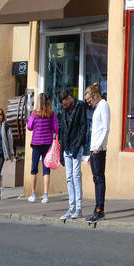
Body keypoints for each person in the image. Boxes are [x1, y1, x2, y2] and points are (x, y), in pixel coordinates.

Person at [56, 88, 88, 220]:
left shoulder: (80, 106)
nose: (63, 105)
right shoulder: (64, 110)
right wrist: (62, 149)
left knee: (75, 176)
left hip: (76, 147)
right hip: (67, 148)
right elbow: (62, 130)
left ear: (70, 98)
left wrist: (77, 145)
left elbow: (83, 127)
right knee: (69, 177)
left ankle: (78, 208)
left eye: (64, 102)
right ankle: (71, 207)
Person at [83, 84, 109, 222]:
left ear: (95, 96)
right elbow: (96, 131)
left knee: (99, 179)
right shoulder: (98, 107)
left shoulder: (103, 105)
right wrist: (90, 153)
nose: (89, 103)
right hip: (94, 150)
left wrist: (98, 147)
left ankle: (100, 209)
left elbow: (106, 128)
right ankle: (97, 208)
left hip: (99, 150)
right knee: (96, 179)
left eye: (89, 100)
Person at [24, 93, 56, 203]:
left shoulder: (34, 114)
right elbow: (56, 128)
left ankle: (33, 194)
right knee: (46, 169)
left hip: (36, 144)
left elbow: (29, 127)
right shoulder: (51, 114)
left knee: (34, 169)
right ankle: (45, 195)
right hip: (47, 144)